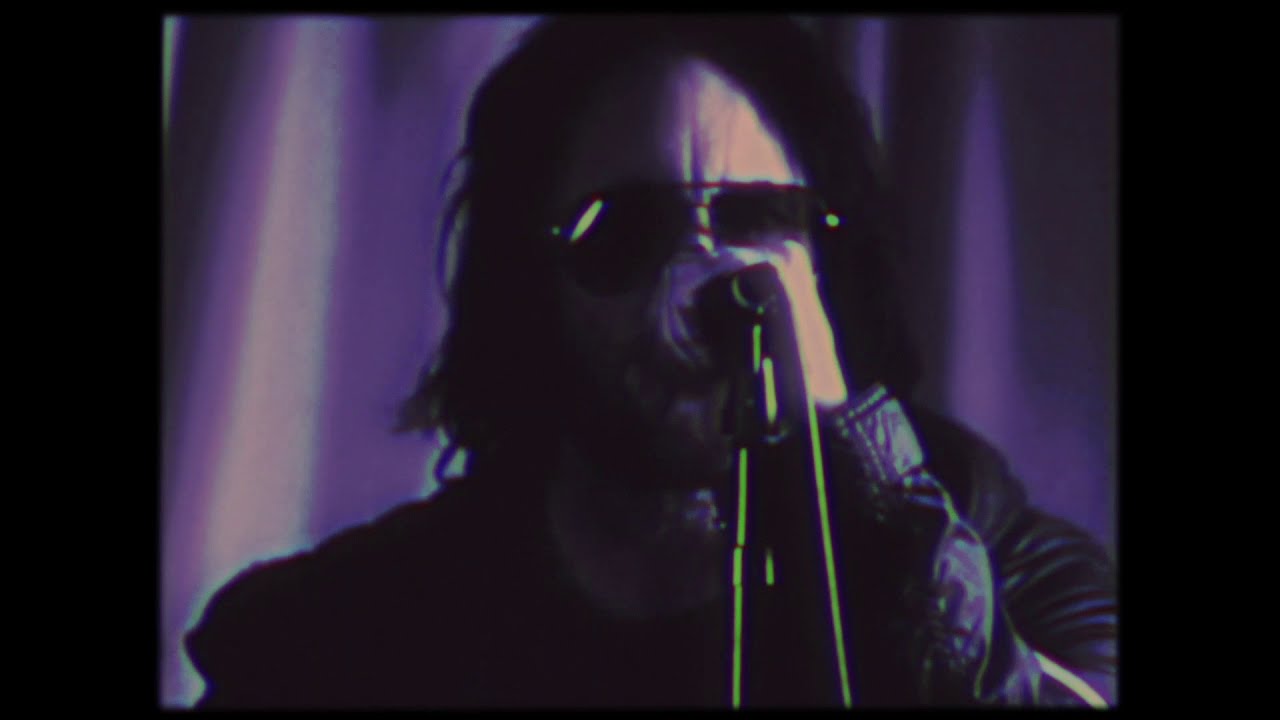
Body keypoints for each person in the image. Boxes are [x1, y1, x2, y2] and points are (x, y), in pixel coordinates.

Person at [184, 16, 1116, 707]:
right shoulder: (347, 633)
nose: (703, 278)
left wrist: (859, 471)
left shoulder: (1007, 565)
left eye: (759, 218)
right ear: (530, 283)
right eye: (623, 232)